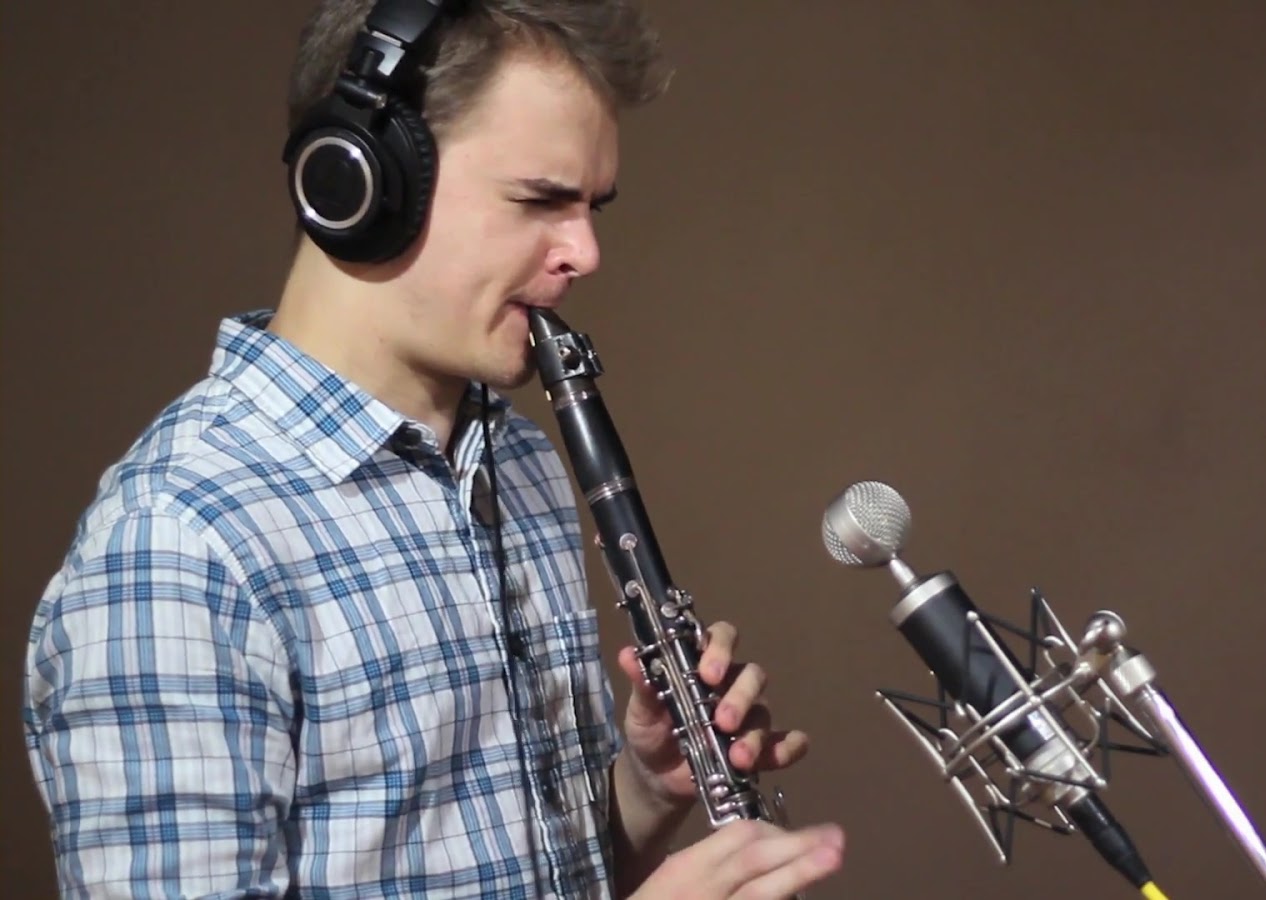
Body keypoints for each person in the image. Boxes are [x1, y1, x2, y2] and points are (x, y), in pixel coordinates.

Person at [21, 1, 846, 897]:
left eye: (591, 206)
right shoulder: (177, 548)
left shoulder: (520, 462)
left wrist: (646, 792)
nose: (586, 251)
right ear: (357, 182)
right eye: (540, 199)